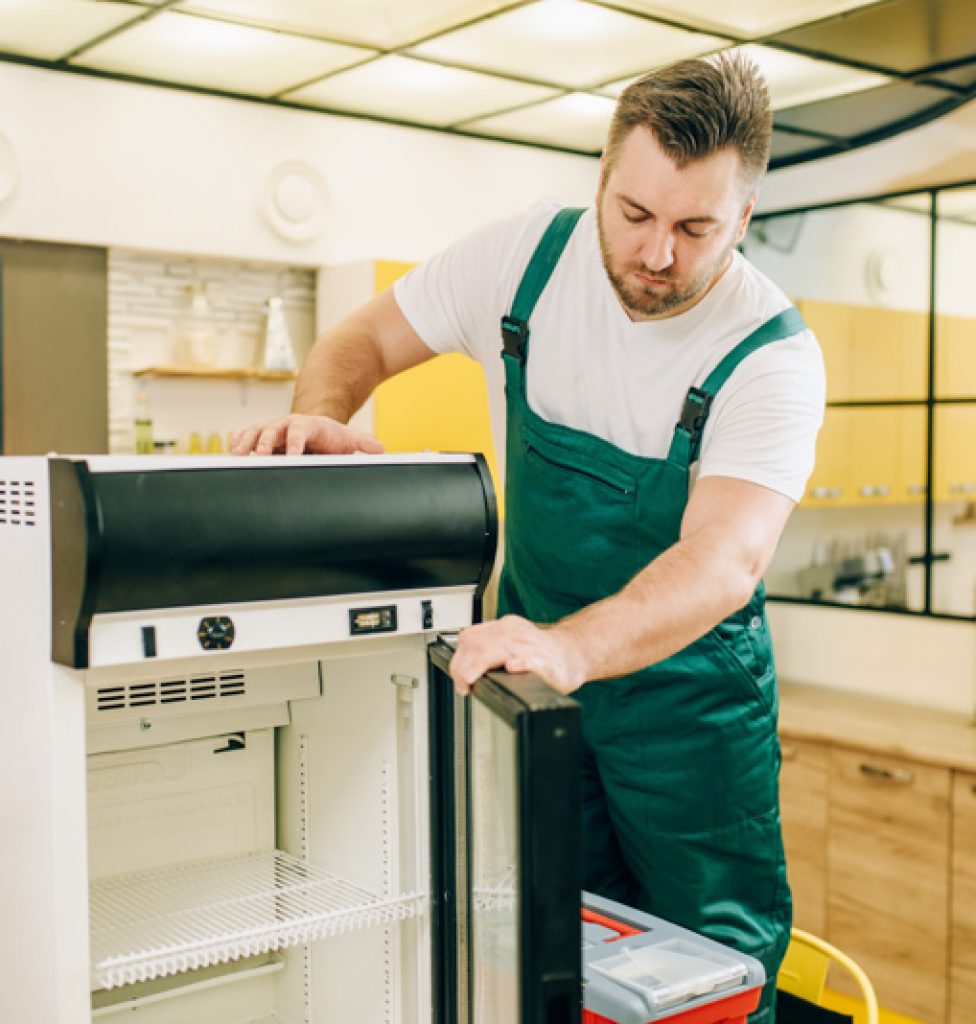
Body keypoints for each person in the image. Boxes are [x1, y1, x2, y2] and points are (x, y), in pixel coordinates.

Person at [232, 53, 825, 1023]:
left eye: (694, 228)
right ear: (599, 181)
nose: (658, 255)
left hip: (690, 715)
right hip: (535, 688)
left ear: (744, 220)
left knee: (709, 977)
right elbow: (363, 339)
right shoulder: (526, 261)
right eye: (633, 215)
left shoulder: (768, 353)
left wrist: (570, 645)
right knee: (550, 944)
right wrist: (324, 420)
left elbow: (725, 557)